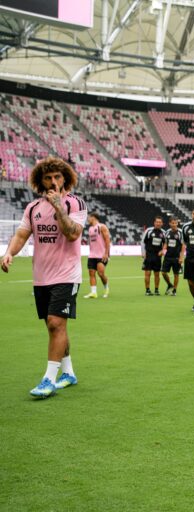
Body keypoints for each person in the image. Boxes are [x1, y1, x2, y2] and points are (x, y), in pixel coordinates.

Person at [1, 157, 87, 398]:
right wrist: (9, 253)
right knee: (54, 328)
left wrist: (58, 206)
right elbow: (21, 235)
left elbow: (72, 234)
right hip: (41, 277)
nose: (52, 182)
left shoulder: (75, 204)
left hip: (67, 275)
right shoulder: (33, 208)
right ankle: (68, 372)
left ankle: (49, 379)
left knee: (55, 323)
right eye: (48, 178)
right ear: (40, 181)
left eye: (57, 177)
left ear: (65, 179)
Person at [83, 212, 110, 299]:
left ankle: (106, 288)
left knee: (101, 273)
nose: (88, 219)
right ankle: (93, 292)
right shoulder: (90, 229)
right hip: (92, 255)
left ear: (93, 217)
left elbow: (107, 240)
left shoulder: (102, 226)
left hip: (101, 255)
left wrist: (106, 253)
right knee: (91, 273)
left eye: (89, 218)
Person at [142, 216, 166, 296]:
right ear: (154, 223)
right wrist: (143, 252)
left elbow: (166, 243)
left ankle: (156, 290)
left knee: (157, 274)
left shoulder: (163, 232)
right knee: (147, 273)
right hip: (148, 255)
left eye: (160, 222)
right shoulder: (149, 231)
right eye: (157, 222)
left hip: (157, 257)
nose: (158, 223)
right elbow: (143, 242)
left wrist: (163, 251)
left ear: (162, 223)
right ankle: (147, 290)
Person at [162, 217, 183, 296]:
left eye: (175, 223)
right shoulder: (167, 232)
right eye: (172, 223)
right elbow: (166, 243)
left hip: (176, 257)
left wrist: (181, 257)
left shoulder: (180, 232)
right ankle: (170, 284)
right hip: (168, 256)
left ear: (177, 223)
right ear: (170, 223)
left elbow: (183, 245)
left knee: (176, 274)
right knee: (163, 272)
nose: (174, 224)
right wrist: (163, 250)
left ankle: (174, 290)